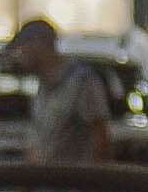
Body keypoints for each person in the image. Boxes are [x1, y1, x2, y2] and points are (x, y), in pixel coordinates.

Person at [10, 16, 125, 168]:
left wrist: (97, 187)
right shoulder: (43, 88)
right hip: (46, 187)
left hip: (75, 187)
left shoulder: (82, 82)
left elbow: (101, 139)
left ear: (38, 45)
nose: (18, 56)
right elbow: (40, 148)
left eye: (21, 48)